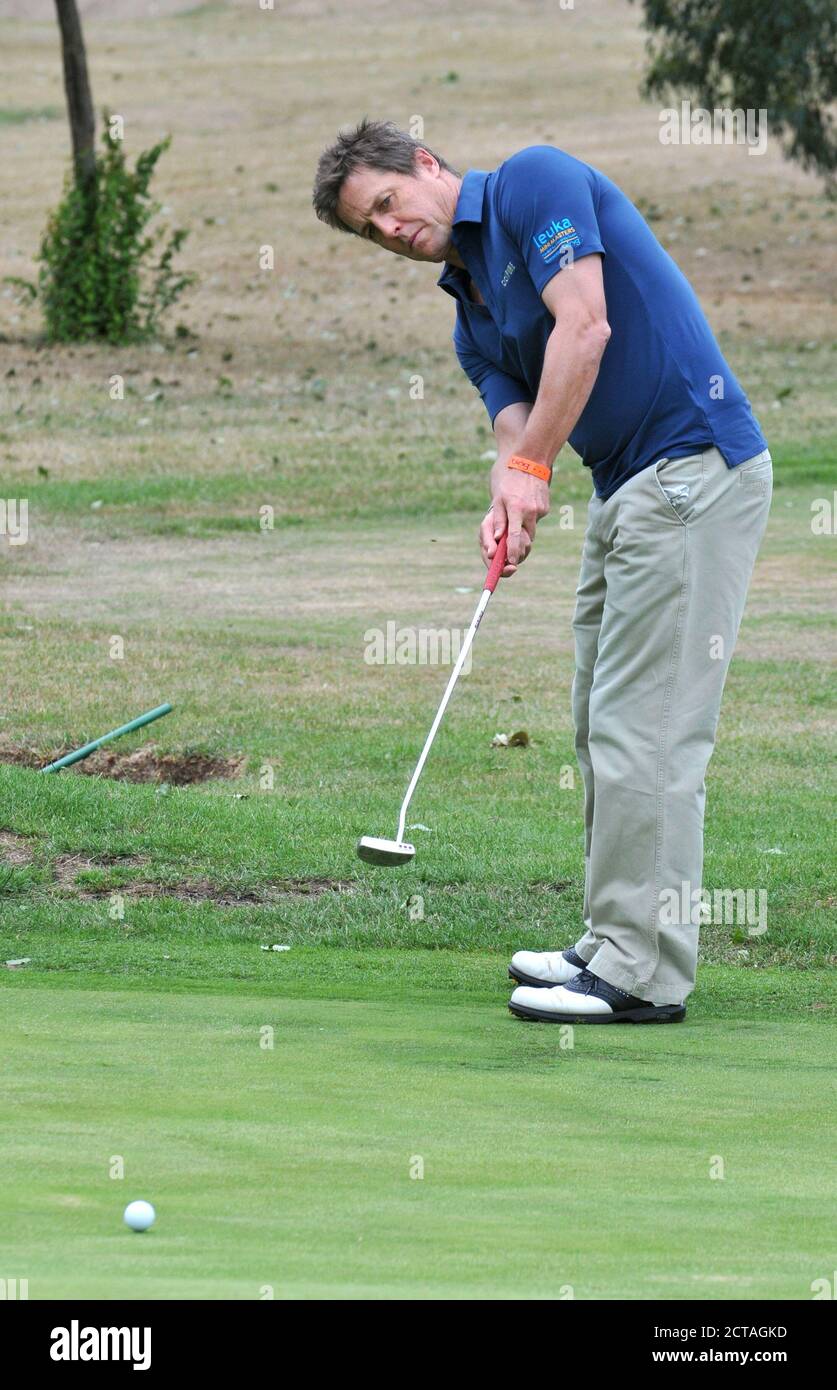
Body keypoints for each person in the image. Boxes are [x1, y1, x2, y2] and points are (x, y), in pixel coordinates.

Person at [312, 119, 772, 1024]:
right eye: (372, 230)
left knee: (650, 732)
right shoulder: (468, 316)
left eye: (387, 203)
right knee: (601, 723)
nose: (391, 231)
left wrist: (532, 471)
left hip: (691, 470)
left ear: (426, 167)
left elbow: (587, 326)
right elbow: (513, 433)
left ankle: (644, 975)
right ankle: (609, 939)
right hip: (625, 490)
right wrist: (507, 492)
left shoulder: (533, 183)